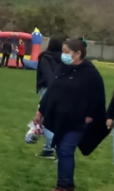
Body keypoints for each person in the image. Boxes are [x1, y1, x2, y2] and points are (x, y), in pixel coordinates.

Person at [35, 38, 108, 191]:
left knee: (65, 149)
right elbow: (53, 91)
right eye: (63, 51)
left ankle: (64, 186)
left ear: (78, 53)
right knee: (62, 149)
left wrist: (90, 117)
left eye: (66, 52)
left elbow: (98, 97)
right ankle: (67, 184)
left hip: (79, 121)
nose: (63, 55)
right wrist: (40, 111)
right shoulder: (63, 68)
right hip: (63, 119)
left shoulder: (90, 73)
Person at [35, 36, 64, 159]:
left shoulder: (46, 58)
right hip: (62, 91)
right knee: (54, 120)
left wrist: (51, 92)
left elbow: (48, 76)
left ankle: (57, 146)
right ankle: (48, 149)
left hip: (49, 90)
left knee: (44, 119)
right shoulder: (63, 59)